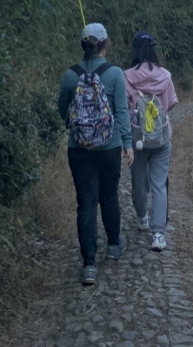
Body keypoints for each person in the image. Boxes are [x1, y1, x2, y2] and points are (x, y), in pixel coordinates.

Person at [58, 22, 133, 286]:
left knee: (86, 202)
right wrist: (127, 143)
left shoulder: (71, 75)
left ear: (83, 45)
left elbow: (63, 110)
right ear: (105, 43)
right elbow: (122, 111)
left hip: (79, 149)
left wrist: (77, 128)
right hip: (109, 147)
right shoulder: (115, 74)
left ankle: (89, 264)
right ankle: (113, 245)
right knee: (109, 196)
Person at [124, 30, 179, 252]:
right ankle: (158, 235)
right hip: (161, 139)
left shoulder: (126, 76)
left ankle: (142, 217)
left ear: (135, 51)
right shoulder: (165, 76)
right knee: (159, 185)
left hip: (137, 140)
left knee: (138, 182)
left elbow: (123, 107)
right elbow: (169, 105)